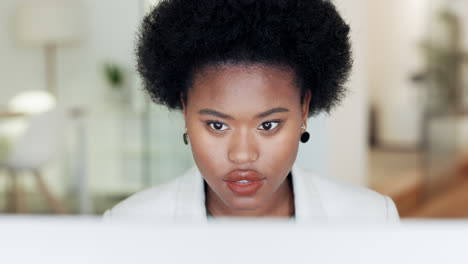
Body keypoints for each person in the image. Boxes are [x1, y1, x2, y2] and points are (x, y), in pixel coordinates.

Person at [103, 0, 399, 223]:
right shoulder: (131, 225)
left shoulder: (370, 220)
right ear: (184, 109)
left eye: (268, 125)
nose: (242, 155)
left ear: (304, 108)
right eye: (217, 125)